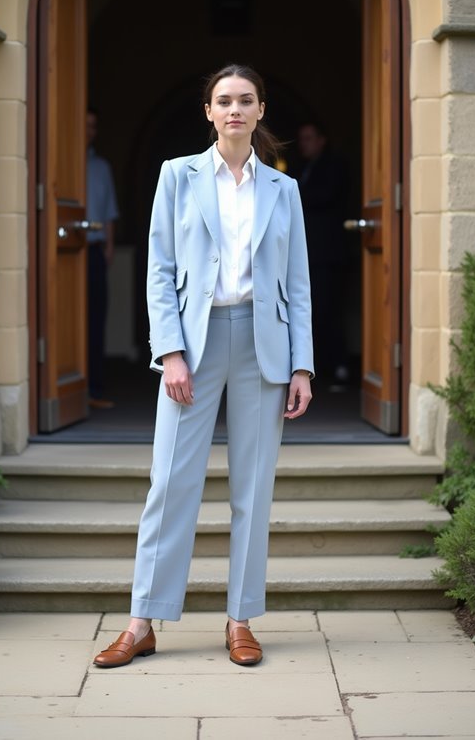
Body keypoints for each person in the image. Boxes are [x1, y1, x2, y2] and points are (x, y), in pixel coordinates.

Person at [93, 64, 314, 669]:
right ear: (209, 112)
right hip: (194, 343)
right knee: (170, 483)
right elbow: (159, 270)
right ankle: (142, 621)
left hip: (264, 347)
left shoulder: (282, 190)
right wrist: (170, 353)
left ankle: (240, 620)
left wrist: (303, 367)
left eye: (246, 100)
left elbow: (297, 283)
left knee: (253, 487)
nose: (235, 109)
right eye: (224, 101)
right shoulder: (177, 177)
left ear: (261, 110)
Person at [295, 121, 351, 389]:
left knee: (327, 311)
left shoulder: (333, 167)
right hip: (310, 253)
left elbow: (324, 197)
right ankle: (321, 368)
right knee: (313, 312)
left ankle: (338, 368)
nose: (303, 143)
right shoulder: (304, 168)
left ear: (321, 140)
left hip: (327, 253)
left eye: (309, 138)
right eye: (301, 139)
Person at [86, 108, 119, 409]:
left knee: (96, 321)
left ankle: (94, 390)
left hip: (94, 252)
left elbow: (109, 211)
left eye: (93, 126)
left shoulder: (101, 167)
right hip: (64, 254)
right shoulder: (60, 162)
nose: (89, 130)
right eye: (84, 125)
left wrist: (109, 247)